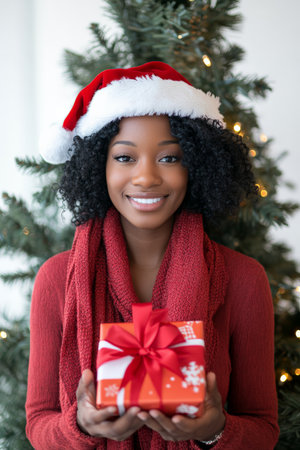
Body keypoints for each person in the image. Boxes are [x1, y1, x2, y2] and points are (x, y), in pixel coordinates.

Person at [26, 61, 279, 449]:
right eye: (125, 158)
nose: (146, 178)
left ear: (197, 165)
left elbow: (263, 428)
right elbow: (38, 424)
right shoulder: (57, 278)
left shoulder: (243, 277)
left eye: (169, 157)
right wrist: (81, 425)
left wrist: (213, 431)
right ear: (98, 166)